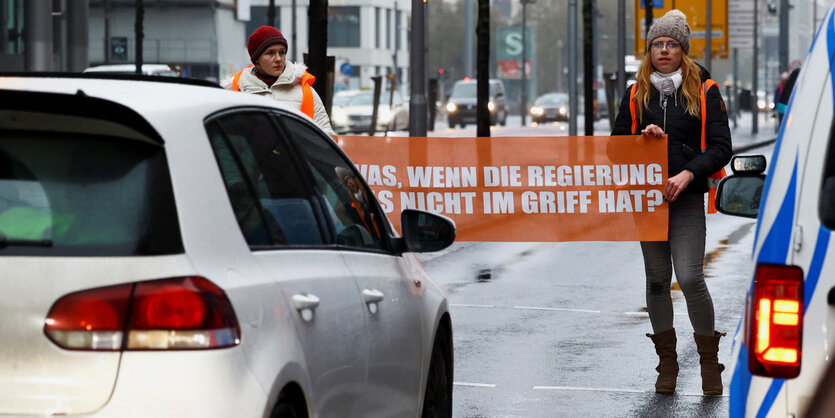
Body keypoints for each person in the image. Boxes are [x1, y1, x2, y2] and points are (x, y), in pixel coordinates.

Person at [611, 9, 733, 396]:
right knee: (656, 281)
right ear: (650, 50)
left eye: (672, 44)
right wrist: (640, 139)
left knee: (692, 278)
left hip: (686, 199)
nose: (664, 50)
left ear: (683, 49)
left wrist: (687, 174)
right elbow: (614, 149)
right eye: (657, 44)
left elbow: (721, 149)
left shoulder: (705, 90)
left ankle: (709, 366)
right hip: (648, 203)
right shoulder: (635, 92)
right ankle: (667, 365)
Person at [224, 25, 335, 135]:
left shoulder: (306, 92)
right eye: (270, 53)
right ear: (256, 59)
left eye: (282, 52)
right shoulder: (236, 91)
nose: (278, 59)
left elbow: (326, 135)